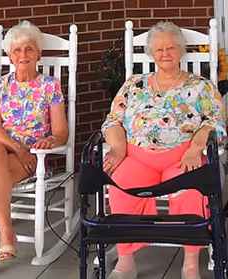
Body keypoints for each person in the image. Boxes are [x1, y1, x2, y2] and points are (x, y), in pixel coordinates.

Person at [101, 21, 226, 279]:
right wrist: (117, 148)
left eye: (171, 47)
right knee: (121, 182)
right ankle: (126, 260)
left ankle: (190, 262)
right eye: (159, 49)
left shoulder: (201, 87)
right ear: (151, 54)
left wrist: (196, 148)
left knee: (192, 187)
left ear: (181, 50)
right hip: (137, 157)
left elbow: (215, 121)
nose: (165, 53)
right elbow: (113, 119)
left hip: (182, 157)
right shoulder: (134, 84)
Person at [0, 20, 68, 279]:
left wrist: (50, 142)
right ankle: (7, 231)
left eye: (29, 49)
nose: (23, 55)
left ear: (38, 54)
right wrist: (19, 148)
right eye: (17, 50)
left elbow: (61, 132)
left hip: (29, 159)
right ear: (9, 56)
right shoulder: (1, 84)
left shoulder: (50, 86)